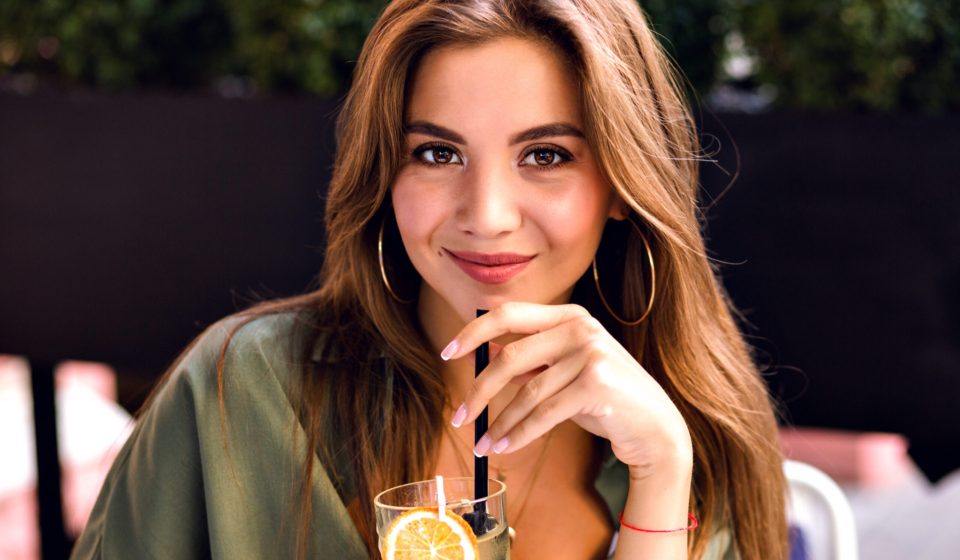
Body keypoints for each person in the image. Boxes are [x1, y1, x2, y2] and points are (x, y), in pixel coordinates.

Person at [71, 0, 788, 559]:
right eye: (439, 154)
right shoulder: (239, 390)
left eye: (544, 155)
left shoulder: (695, 430)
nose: (488, 216)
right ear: (385, 173)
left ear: (623, 181)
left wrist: (662, 474)